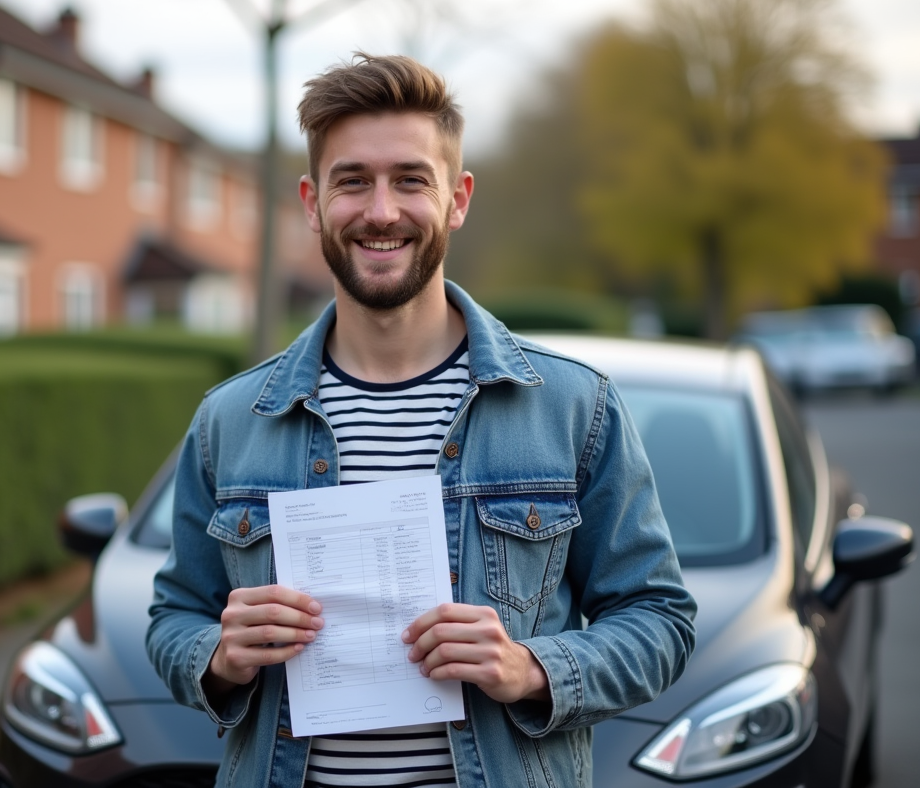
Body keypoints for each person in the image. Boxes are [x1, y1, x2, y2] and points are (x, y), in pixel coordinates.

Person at [147, 53, 697, 788]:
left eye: (411, 179)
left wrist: (533, 665)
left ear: (458, 198)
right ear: (311, 203)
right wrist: (216, 655)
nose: (381, 211)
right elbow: (173, 615)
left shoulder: (573, 405)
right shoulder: (231, 418)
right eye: (353, 181)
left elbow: (660, 619)